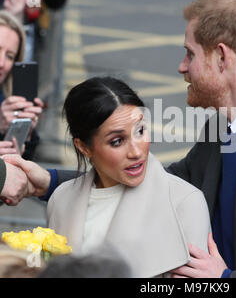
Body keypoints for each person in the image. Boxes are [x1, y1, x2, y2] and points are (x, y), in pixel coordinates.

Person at [4, 0, 236, 278]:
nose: (181, 66)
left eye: (189, 54)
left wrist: (225, 279)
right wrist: (47, 181)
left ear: (221, 58)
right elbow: (163, 180)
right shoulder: (221, 127)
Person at [27, 76, 210, 278]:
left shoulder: (185, 203)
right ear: (84, 147)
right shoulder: (61, 200)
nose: (136, 151)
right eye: (117, 141)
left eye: (140, 131)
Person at [0, 10, 43, 159]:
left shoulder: (9, 100)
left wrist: (25, 133)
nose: (2, 63)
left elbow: (24, 165)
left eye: (10, 56)